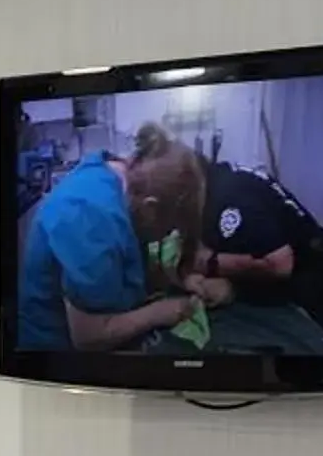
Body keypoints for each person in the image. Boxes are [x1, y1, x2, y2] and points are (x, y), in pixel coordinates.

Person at [16, 125, 229, 352]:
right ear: (150, 207)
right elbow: (88, 338)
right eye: (169, 228)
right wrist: (161, 312)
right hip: (54, 350)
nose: (167, 235)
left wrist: (181, 281)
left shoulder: (124, 177)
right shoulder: (89, 217)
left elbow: (131, 260)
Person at [197, 159, 323, 346]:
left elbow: (279, 265)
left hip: (318, 282)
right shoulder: (220, 175)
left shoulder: (228, 197)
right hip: (305, 267)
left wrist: (211, 264)